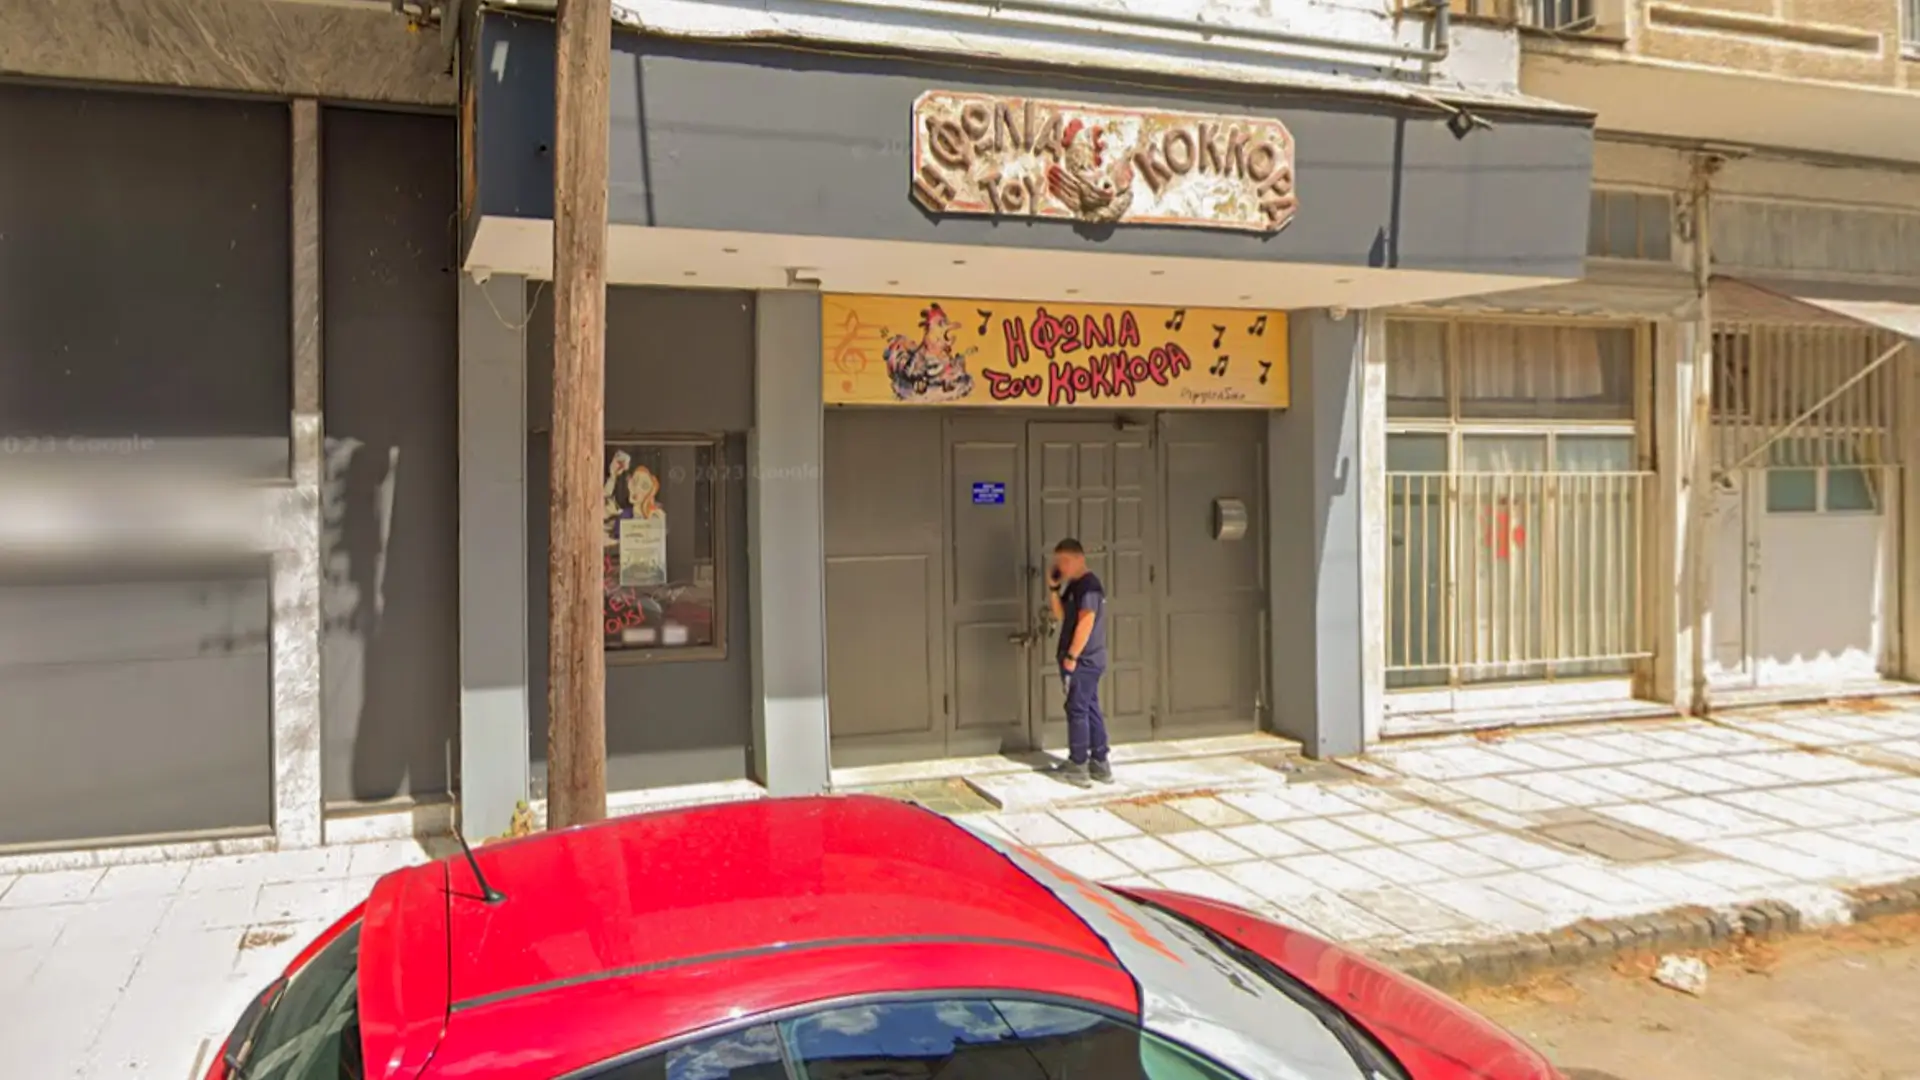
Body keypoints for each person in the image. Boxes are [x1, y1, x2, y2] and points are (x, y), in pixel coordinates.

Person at [1046, 538, 1111, 786]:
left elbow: (1086, 622)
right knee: (1089, 705)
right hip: (1081, 659)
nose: (1060, 566)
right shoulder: (1074, 586)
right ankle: (1100, 761)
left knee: (1077, 708)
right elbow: (1060, 615)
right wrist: (1054, 589)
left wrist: (1072, 656)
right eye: (1058, 561)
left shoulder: (1089, 587)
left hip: (1085, 659)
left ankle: (1078, 764)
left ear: (1079, 559)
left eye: (1065, 561)